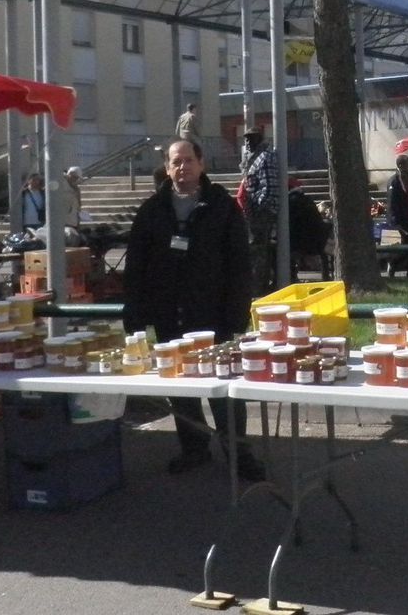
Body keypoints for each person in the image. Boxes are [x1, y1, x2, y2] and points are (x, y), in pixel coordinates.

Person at [123, 139, 264, 481]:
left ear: (201, 164)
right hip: (168, 313)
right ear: (167, 168)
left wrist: (236, 314)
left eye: (188, 160)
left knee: (224, 389)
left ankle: (238, 451)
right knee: (182, 387)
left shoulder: (223, 207)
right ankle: (194, 448)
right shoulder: (152, 210)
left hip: (213, 314)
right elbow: (136, 265)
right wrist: (135, 313)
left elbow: (240, 266)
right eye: (176, 162)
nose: (182, 167)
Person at [240, 126, 280, 295]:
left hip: (261, 213)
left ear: (259, 139)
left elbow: (269, 187)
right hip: (253, 212)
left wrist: (258, 208)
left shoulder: (265, 157)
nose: (247, 142)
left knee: (258, 251)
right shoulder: (253, 159)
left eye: (251, 138)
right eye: (246, 138)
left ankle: (258, 289)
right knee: (255, 250)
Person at [287, 178, 332, 281]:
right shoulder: (308, 201)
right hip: (316, 241)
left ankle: (291, 277)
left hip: (300, 243)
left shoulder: (290, 202)